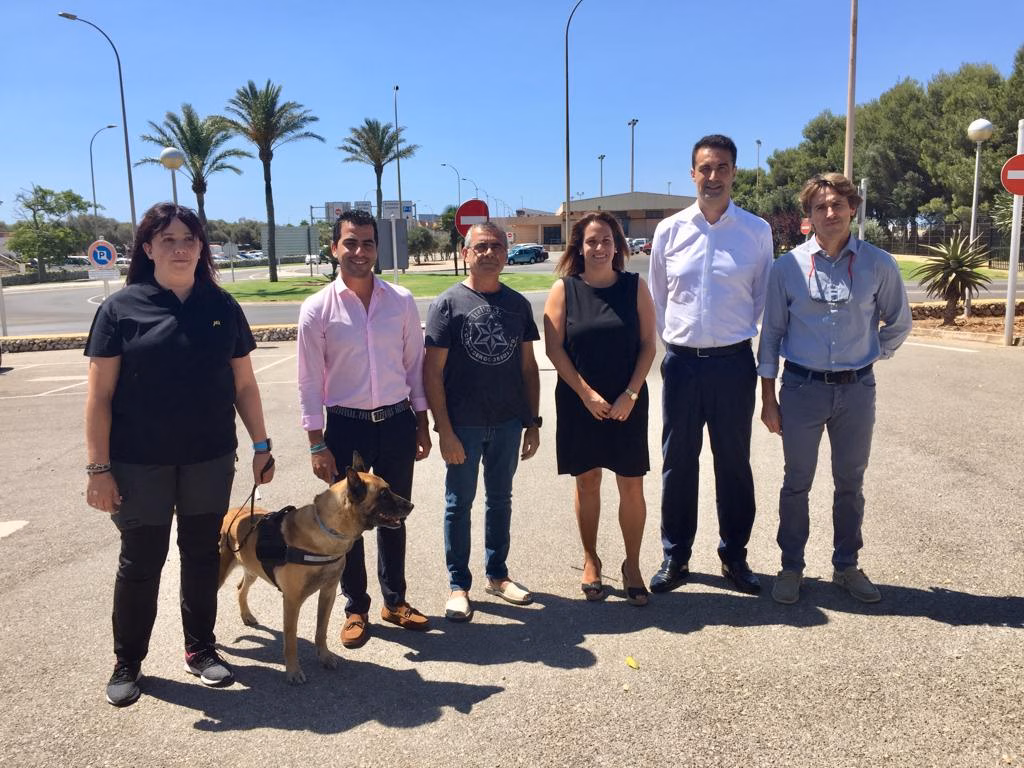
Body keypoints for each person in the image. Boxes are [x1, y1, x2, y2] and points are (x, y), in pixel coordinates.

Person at [84, 202, 275, 707]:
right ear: (147, 248)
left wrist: (261, 445)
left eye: (189, 238)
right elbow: (99, 397)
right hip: (138, 462)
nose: (180, 248)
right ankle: (128, 660)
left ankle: (201, 648)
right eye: (167, 239)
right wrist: (99, 469)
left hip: (208, 458)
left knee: (201, 556)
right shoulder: (120, 310)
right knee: (141, 561)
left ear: (201, 247)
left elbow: (245, 385)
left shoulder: (222, 306)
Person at [758, 173, 912, 605]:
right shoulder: (786, 268)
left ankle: (846, 565)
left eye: (838, 205)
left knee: (850, 482)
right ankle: (791, 567)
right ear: (809, 216)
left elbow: (899, 322)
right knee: (796, 483)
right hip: (801, 388)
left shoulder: (878, 264)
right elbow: (771, 335)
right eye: (820, 207)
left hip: (856, 391)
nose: (830, 213)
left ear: (852, 209)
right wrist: (768, 398)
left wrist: (870, 354)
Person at [297, 208, 432, 649]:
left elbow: (414, 367)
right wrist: (316, 443)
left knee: (393, 514)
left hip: (395, 423)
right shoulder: (317, 308)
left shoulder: (401, 301)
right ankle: (356, 607)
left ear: (377, 248)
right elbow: (309, 380)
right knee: (347, 520)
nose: (360, 251)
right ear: (334, 247)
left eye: (368, 243)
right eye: (350, 242)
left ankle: (395, 601)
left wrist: (421, 422)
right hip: (345, 426)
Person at [647, 134, 774, 595]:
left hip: (733, 365)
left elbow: (761, 299)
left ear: (734, 172)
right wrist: (679, 341)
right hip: (682, 365)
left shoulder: (756, 231)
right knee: (678, 462)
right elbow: (659, 298)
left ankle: (734, 556)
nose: (713, 176)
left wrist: (731, 336)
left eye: (722, 168)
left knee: (734, 463)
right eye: (705, 168)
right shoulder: (669, 231)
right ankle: (676, 555)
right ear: (692, 174)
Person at [424, 221, 541, 622]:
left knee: (500, 500)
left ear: (506, 254)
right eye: (481, 247)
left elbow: (528, 368)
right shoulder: (447, 304)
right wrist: (445, 430)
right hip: (464, 426)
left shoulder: (518, 305)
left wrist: (532, 422)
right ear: (465, 254)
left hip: (507, 422)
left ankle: (498, 575)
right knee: (459, 504)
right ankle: (459, 585)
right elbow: (432, 373)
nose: (489, 253)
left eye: (496, 246)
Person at [543, 212, 656, 606]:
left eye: (607, 240)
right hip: (580, 402)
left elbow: (649, 345)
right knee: (587, 481)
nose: (599, 247)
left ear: (617, 245)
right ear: (579, 247)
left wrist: (631, 393)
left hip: (628, 401)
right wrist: (586, 394)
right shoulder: (565, 289)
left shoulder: (635, 287)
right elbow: (554, 348)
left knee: (631, 483)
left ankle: (633, 565)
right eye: (591, 241)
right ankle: (591, 559)